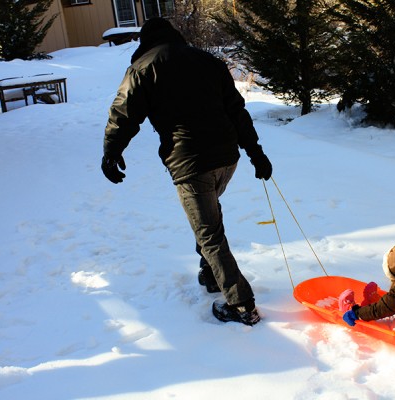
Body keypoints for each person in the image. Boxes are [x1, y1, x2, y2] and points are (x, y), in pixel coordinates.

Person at [101, 17, 272, 326]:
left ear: (145, 42)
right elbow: (237, 110)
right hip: (226, 158)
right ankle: (210, 273)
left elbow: (124, 113)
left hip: (190, 162)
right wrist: (255, 153)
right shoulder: (209, 62)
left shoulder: (143, 68)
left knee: (208, 232)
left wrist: (112, 151)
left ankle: (241, 304)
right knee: (208, 216)